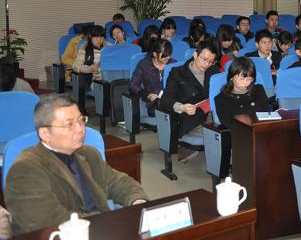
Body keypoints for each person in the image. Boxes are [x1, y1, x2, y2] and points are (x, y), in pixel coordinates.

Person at [4, 95, 147, 235]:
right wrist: (109, 224)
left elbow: (118, 182)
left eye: (81, 120)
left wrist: (138, 201)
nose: (80, 129)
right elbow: (50, 222)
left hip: (102, 229)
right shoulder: (25, 170)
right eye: (69, 124)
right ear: (45, 133)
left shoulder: (88, 153)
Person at [160, 40, 219, 161]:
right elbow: (165, 99)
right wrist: (181, 107)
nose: (207, 64)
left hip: (213, 114)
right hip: (192, 119)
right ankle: (219, 168)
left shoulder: (213, 71)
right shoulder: (178, 73)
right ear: (195, 55)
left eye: (210, 61)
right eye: (204, 59)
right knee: (220, 135)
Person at [214, 57, 271, 128]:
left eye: (249, 79)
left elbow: (267, 114)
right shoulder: (221, 99)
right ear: (231, 77)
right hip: (238, 133)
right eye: (242, 78)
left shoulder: (258, 90)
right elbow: (227, 123)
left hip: (261, 129)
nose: (245, 82)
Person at [128, 39, 175, 117]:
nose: (168, 57)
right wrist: (147, 95)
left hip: (171, 99)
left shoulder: (173, 64)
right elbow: (133, 85)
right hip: (154, 102)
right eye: (164, 55)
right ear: (155, 54)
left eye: (169, 54)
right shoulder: (144, 65)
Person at [72, 25, 109, 93]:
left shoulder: (110, 47)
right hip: (95, 80)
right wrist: (90, 69)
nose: (99, 40)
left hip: (110, 77)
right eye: (96, 37)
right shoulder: (84, 49)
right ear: (90, 37)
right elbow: (75, 66)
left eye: (101, 37)